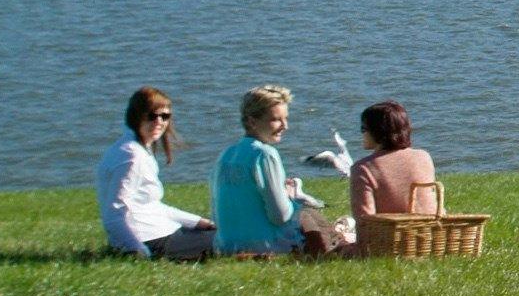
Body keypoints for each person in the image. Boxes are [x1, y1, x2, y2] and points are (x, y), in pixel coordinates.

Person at [210, 85, 335, 257]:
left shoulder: (226, 154)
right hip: (267, 246)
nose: (285, 126)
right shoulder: (264, 154)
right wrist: (288, 195)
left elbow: (216, 212)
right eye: (276, 119)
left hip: (226, 246)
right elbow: (280, 216)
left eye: (286, 118)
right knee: (310, 216)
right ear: (252, 122)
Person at [96, 86, 215, 259]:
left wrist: (198, 222)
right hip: (150, 240)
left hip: (156, 232)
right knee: (234, 238)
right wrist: (139, 251)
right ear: (136, 117)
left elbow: (151, 206)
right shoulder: (132, 156)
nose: (159, 121)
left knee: (223, 229)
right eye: (151, 116)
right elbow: (114, 213)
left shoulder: (132, 148)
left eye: (165, 116)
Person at [348, 100, 439, 218]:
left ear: (376, 131)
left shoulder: (363, 168)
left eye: (363, 128)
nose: (362, 133)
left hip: (393, 229)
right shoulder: (423, 157)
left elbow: (365, 220)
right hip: (431, 227)